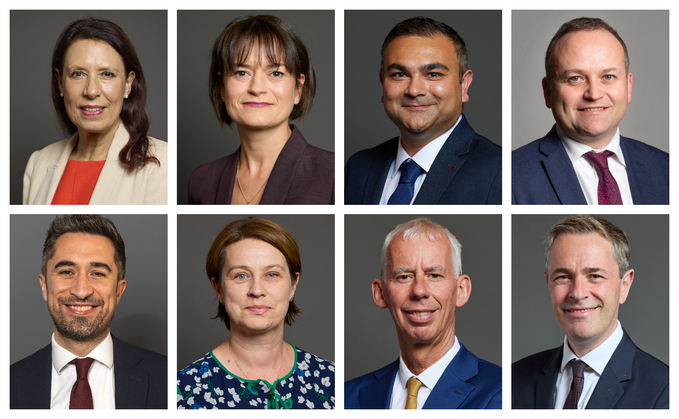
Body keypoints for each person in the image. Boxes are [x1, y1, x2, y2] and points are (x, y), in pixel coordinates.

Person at [10, 215, 167, 409]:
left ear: (119, 291)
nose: (81, 291)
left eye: (98, 273)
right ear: (44, 286)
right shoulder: (8, 385)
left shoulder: (167, 379)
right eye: (67, 271)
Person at [512, 215, 668, 408]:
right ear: (548, 283)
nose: (578, 293)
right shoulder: (514, 379)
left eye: (595, 275)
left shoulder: (665, 390)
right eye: (563, 276)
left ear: (624, 285)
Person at [177, 218, 334, 409]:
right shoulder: (184, 392)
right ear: (218, 288)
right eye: (241, 275)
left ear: (293, 284)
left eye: (272, 274)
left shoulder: (331, 380)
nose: (257, 290)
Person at [345, 218, 501, 408]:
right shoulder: (346, 398)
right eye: (404, 277)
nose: (419, 291)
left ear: (461, 290)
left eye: (434, 275)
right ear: (380, 293)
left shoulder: (502, 392)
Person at [344, 17, 501, 205]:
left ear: (464, 85)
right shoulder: (358, 168)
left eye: (433, 74)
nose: (414, 90)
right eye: (399, 75)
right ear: (382, 82)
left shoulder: (500, 171)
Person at [512, 17, 668, 205]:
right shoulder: (510, 175)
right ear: (548, 91)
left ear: (628, 85)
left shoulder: (667, 169)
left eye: (608, 76)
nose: (593, 94)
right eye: (575, 78)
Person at [188, 15, 334, 205]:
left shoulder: (334, 174)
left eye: (275, 73)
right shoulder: (202, 181)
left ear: (298, 90)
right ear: (222, 88)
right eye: (242, 73)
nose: (257, 88)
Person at [23, 18, 167, 205]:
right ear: (60, 82)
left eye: (107, 74)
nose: (91, 91)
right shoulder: (38, 163)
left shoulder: (162, 164)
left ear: (128, 84)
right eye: (78, 74)